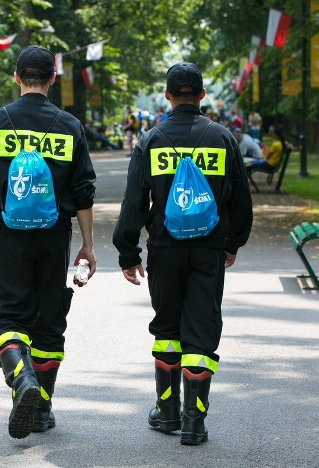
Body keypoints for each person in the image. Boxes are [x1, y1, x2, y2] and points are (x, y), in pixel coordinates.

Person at [112, 62, 253, 445]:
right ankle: (195, 422)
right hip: (208, 249)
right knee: (201, 330)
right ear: (203, 95)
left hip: (164, 249)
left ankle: (167, 410)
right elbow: (240, 199)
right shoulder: (223, 139)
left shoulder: (152, 139)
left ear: (168, 95)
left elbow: (134, 201)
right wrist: (231, 242)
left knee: (168, 328)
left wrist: (128, 252)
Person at [0, 45, 97, 439]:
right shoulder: (69, 125)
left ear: (17, 77)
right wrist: (88, 245)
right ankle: (41, 411)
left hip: (9, 236)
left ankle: (21, 379)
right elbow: (84, 191)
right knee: (49, 322)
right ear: (53, 78)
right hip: (54, 237)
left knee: (7, 317)